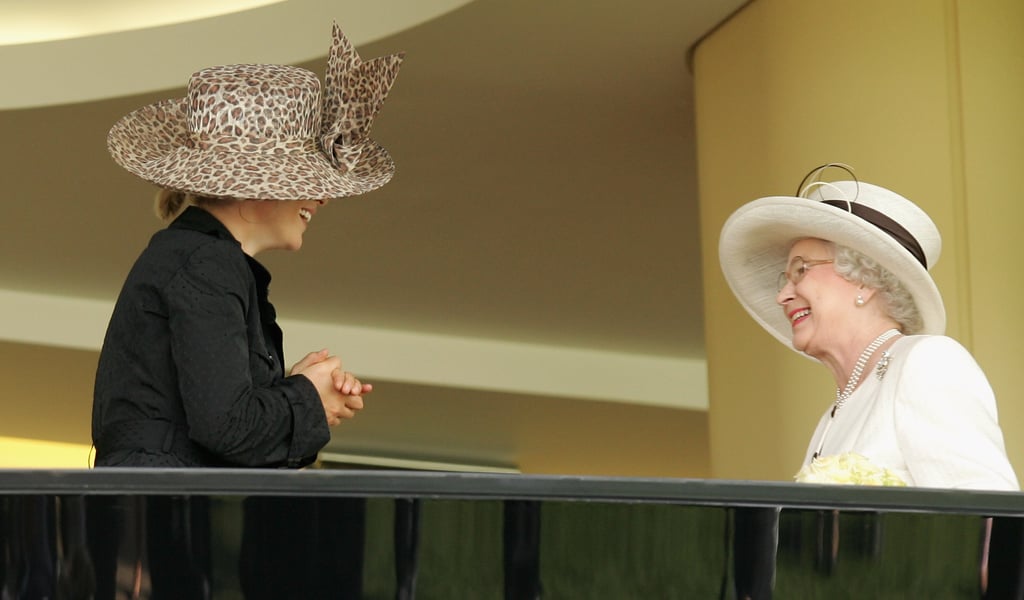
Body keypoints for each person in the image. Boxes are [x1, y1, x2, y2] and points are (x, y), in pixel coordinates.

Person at [92, 22, 404, 468]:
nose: (322, 197)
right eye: (308, 180)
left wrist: (296, 391)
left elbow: (220, 422)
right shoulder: (208, 264)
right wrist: (307, 398)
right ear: (259, 188)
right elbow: (228, 429)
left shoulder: (199, 259)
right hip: (164, 520)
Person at [718, 163, 1018, 491]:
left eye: (801, 270)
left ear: (864, 279)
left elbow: (988, 518)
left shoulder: (926, 362)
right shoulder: (836, 412)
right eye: (785, 279)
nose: (782, 295)